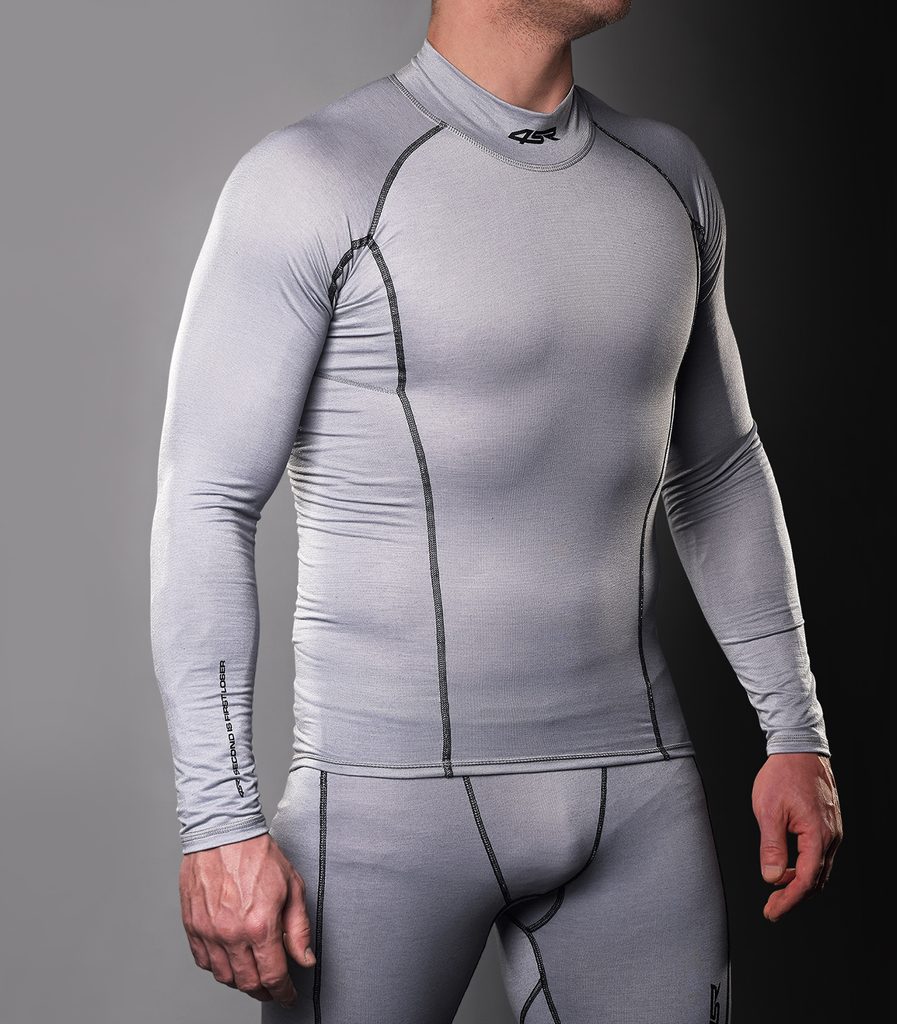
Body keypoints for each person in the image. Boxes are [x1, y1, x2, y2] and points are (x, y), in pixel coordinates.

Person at [149, 1, 843, 1020]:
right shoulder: (315, 177)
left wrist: (794, 729)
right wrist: (218, 820)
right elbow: (207, 499)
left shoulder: (668, 176)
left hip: (637, 800)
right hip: (382, 812)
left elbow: (719, 468)